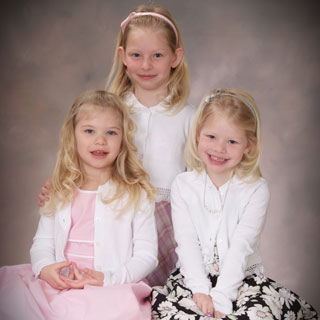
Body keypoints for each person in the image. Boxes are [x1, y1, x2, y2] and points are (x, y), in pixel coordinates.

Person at [38, 4, 195, 287]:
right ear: (123, 56)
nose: (146, 65)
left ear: (175, 57)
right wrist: (60, 185)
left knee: (162, 298)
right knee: (122, 288)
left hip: (171, 220)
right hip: (119, 216)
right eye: (136, 55)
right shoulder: (113, 111)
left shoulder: (188, 117)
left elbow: (199, 176)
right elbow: (83, 156)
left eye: (157, 55)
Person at [152, 88, 319, 319]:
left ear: (248, 145)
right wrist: (200, 291)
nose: (219, 149)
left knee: (257, 314)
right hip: (192, 278)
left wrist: (220, 298)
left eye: (232, 141)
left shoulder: (256, 189)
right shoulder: (183, 185)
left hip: (241, 281)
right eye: (211, 137)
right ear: (198, 134)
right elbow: (186, 242)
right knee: (174, 313)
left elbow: (241, 247)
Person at [0, 90, 158, 320]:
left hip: (109, 290)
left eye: (111, 132)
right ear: (72, 135)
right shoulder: (60, 190)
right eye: (89, 131)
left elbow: (147, 256)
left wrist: (108, 278)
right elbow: (42, 243)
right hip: (59, 286)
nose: (100, 140)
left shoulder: (135, 194)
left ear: (123, 138)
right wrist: (45, 269)